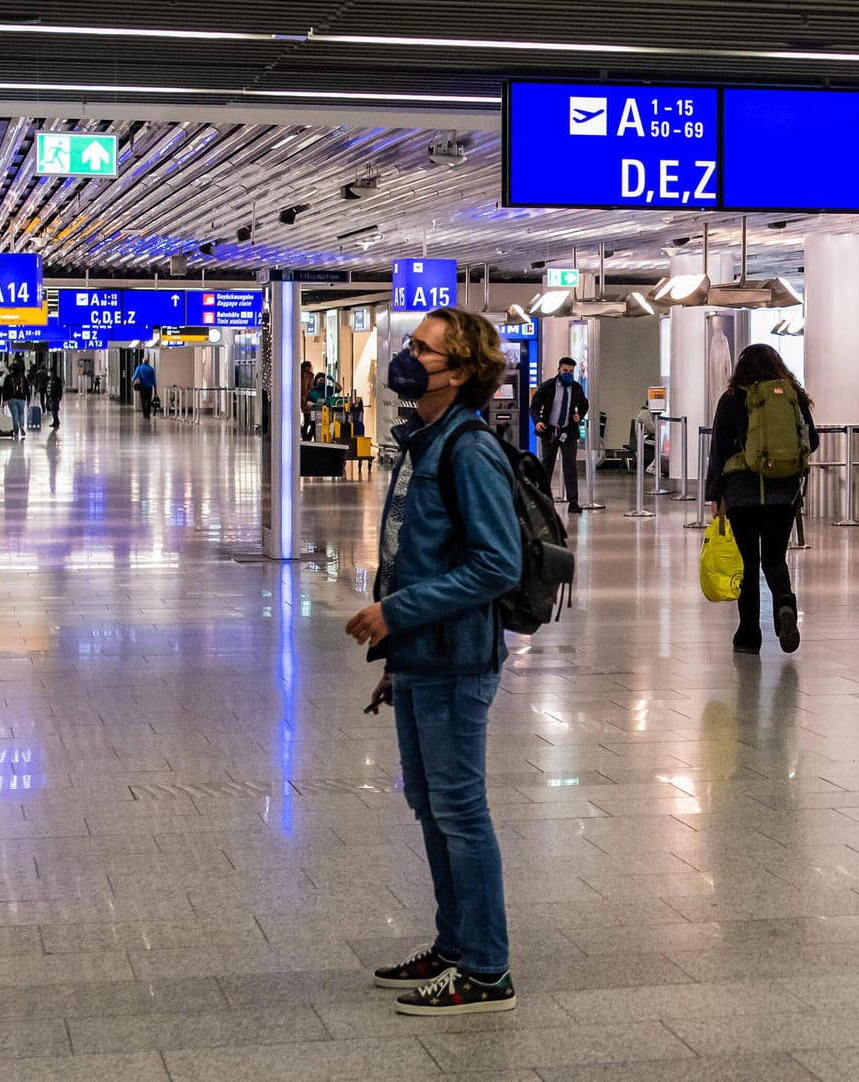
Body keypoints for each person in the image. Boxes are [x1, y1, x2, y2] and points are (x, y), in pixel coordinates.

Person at [346, 307, 521, 1017]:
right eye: (409, 344)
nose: (406, 356)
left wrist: (397, 615)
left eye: (422, 348)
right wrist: (397, 652)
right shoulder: (427, 438)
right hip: (420, 658)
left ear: (461, 370)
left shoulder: (468, 448)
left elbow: (496, 564)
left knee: (458, 810)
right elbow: (417, 553)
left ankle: (486, 970)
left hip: (454, 658)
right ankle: (453, 946)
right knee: (429, 807)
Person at [704, 344, 818, 655]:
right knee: (774, 558)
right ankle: (785, 604)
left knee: (749, 563)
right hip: (784, 494)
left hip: (742, 494)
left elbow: (719, 450)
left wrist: (713, 493)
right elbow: (814, 440)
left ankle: (748, 636)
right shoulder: (792, 395)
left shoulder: (732, 399)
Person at [530, 357, 588, 512]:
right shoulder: (548, 386)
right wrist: (537, 421)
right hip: (550, 431)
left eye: (570, 371)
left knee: (570, 466)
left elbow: (584, 404)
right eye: (565, 371)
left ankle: (573, 502)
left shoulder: (576, 388)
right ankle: (543, 499)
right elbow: (534, 406)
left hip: (568, 432)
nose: (568, 374)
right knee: (547, 464)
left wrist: (579, 415)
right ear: (559, 370)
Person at [1, 365, 27, 440]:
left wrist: (4, 400)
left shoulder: (8, 378)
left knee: (15, 415)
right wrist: (28, 398)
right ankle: (21, 426)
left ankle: (16, 432)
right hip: (22, 399)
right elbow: (27, 388)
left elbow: (5, 390)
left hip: (11, 399)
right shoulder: (23, 378)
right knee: (21, 413)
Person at [300, 360, 316, 440]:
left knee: (307, 419)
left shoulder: (298, 375)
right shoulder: (309, 376)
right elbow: (310, 388)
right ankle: (307, 437)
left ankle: (305, 435)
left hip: (301, 399)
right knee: (310, 420)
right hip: (307, 400)